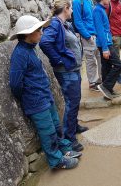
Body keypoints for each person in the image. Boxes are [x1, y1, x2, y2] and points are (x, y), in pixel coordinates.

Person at [9, 15, 81, 170]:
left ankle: (63, 149)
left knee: (55, 125)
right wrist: (28, 95)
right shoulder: (20, 54)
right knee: (47, 132)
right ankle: (56, 160)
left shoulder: (29, 49)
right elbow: (15, 83)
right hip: (35, 101)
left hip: (45, 97)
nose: (42, 33)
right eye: (39, 30)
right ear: (28, 34)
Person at [39, 0, 86, 152]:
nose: (72, 10)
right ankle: (69, 138)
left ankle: (74, 126)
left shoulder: (64, 24)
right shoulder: (54, 24)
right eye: (71, 8)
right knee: (72, 102)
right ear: (65, 8)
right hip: (66, 71)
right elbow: (45, 42)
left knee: (75, 99)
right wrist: (58, 60)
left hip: (72, 69)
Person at [72, 0, 102, 91]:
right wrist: (87, 36)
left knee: (99, 58)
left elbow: (93, 18)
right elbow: (78, 22)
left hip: (95, 35)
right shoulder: (77, 1)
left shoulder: (89, 1)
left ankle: (100, 80)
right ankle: (93, 83)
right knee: (90, 61)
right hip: (87, 36)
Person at [93, 0, 121, 100]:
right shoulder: (97, 10)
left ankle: (108, 91)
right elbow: (100, 31)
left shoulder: (101, 9)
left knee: (106, 67)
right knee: (118, 65)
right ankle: (106, 86)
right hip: (105, 44)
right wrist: (105, 48)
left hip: (105, 43)